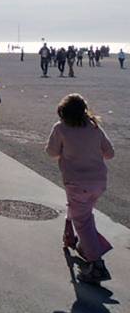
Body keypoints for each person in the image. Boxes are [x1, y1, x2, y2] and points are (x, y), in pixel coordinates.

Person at [46, 94, 115, 284]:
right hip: (98, 182)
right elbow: (110, 153)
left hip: (77, 183)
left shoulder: (60, 128)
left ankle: (96, 264)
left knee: (82, 221)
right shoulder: (94, 127)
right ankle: (84, 244)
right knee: (84, 215)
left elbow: (51, 152)